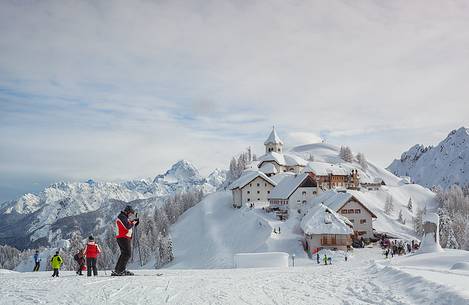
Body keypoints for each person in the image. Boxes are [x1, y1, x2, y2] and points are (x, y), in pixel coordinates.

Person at [112, 205, 139, 276]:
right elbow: (127, 226)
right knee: (127, 254)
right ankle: (121, 270)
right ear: (127, 212)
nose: (131, 215)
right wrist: (133, 222)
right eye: (131, 213)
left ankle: (117, 270)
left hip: (122, 237)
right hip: (123, 237)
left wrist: (133, 222)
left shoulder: (124, 217)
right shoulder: (122, 217)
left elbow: (127, 224)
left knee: (124, 254)